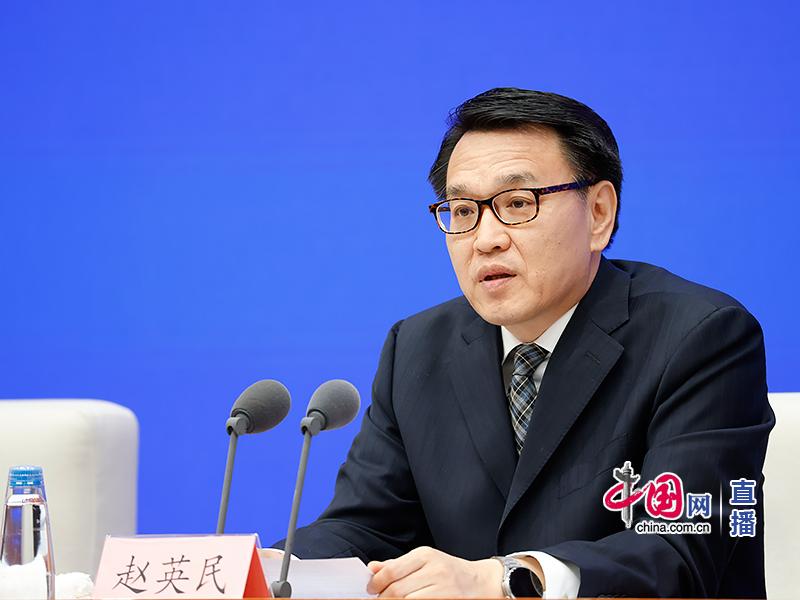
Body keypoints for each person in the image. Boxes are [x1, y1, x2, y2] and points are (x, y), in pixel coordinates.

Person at [274, 88, 774, 598]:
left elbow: (680, 551)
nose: (485, 238)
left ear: (599, 213)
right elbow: (366, 529)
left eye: (517, 204)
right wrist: (268, 570)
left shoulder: (701, 337)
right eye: (463, 210)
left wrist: (505, 578)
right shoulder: (417, 348)